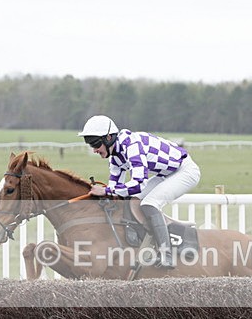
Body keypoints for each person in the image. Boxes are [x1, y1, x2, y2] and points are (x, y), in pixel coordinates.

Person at [78, 115, 201, 268]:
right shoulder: (115, 157)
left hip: (185, 171)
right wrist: (105, 194)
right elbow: (116, 189)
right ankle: (143, 246)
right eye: (90, 145)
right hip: (166, 173)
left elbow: (138, 185)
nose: (94, 150)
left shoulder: (132, 146)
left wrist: (106, 191)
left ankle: (166, 255)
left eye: (95, 144)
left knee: (149, 203)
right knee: (133, 201)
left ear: (109, 137)